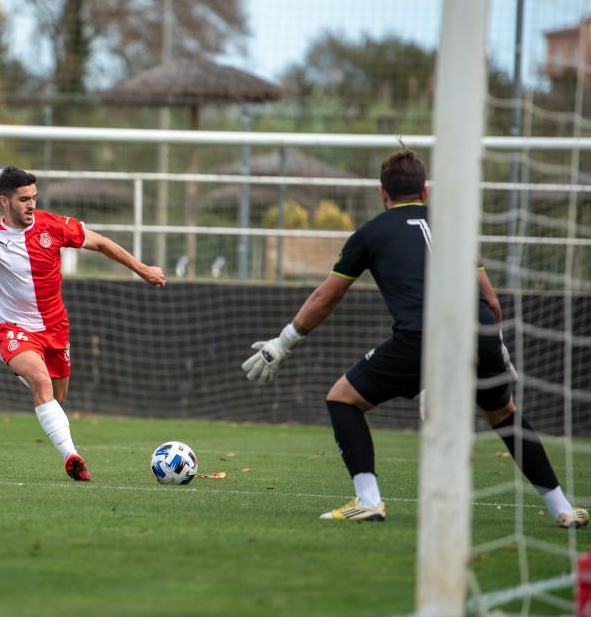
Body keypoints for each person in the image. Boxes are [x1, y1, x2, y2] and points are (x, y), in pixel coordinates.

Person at [241, 149, 588, 528]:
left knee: (342, 399)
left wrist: (284, 342)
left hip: (424, 338)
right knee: (505, 416)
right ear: (425, 191)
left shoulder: (371, 233)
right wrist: (497, 345)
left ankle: (369, 500)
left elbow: (328, 295)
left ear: (382, 193)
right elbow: (489, 298)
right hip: (482, 332)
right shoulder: (453, 227)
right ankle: (563, 508)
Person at [0, 166, 166, 481]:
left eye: (33, 197)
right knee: (41, 384)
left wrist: (142, 269)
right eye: (23, 199)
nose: (31, 205)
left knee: (56, 403)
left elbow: (99, 243)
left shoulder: (52, 225)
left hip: (56, 330)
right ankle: (73, 457)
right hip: (15, 329)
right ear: (4, 201)